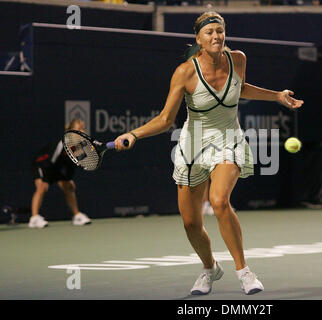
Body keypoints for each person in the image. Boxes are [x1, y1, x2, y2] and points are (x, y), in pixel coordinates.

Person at [114, 11, 303, 295]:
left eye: (219, 31)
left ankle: (244, 271)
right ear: (198, 39)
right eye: (209, 32)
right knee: (191, 222)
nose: (216, 36)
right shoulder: (185, 72)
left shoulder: (238, 59)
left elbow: (239, 90)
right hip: (192, 144)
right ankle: (210, 268)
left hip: (229, 139)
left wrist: (276, 95)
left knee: (218, 200)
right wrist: (133, 133)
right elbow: (166, 120)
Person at [28, 119, 92, 229]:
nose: (82, 131)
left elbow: (72, 167)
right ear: (70, 131)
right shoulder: (62, 143)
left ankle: (77, 216)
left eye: (83, 128)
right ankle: (34, 218)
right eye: (79, 129)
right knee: (42, 187)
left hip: (55, 167)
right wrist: (46, 180)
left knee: (69, 187)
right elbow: (50, 162)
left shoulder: (78, 148)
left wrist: (68, 180)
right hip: (41, 164)